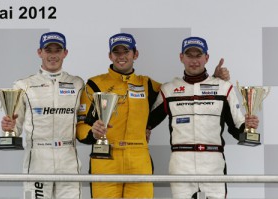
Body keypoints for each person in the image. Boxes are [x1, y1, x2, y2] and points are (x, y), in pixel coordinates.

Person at [76, 33, 229, 199]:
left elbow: (183, 91)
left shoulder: (148, 84)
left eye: (126, 51)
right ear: (110, 55)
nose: (121, 56)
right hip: (105, 160)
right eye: (116, 52)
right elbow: (81, 127)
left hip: (139, 160)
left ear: (135, 54)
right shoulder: (94, 84)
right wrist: (93, 133)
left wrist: (212, 81)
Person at [147, 36, 259, 199]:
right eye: (189, 55)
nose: (194, 61)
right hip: (181, 164)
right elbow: (147, 121)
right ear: (181, 57)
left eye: (198, 55)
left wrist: (248, 127)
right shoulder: (168, 89)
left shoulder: (223, 87)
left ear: (206, 58)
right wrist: (143, 130)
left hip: (213, 162)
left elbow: (237, 127)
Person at [1, 32, 84, 199]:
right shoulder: (24, 85)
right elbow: (15, 129)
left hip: (68, 156)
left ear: (65, 53)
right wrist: (9, 128)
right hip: (38, 157)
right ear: (40, 52)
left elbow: (84, 119)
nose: (53, 55)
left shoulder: (77, 83)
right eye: (48, 50)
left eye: (57, 50)